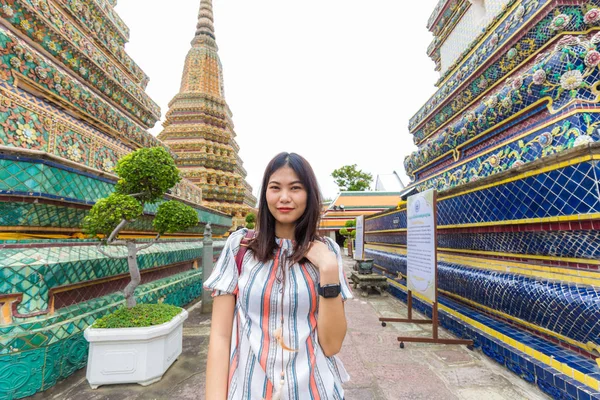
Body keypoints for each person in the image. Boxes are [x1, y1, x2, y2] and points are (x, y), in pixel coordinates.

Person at [204, 152, 353, 400]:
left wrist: (327, 269)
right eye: (275, 188)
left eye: (295, 188)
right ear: (265, 194)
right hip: (249, 390)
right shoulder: (239, 247)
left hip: (314, 390)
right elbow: (220, 337)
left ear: (309, 195)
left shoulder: (328, 252)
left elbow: (332, 344)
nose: (284, 197)